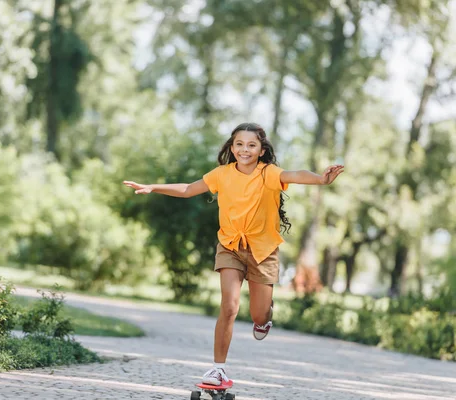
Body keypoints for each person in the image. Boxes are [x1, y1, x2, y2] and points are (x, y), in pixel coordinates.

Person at [123, 122, 344, 386]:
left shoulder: (268, 173)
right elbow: (188, 189)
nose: (245, 149)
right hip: (230, 246)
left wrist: (321, 179)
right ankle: (218, 369)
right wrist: (153, 187)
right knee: (229, 307)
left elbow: (295, 174)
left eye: (252, 145)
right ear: (231, 146)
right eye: (239, 144)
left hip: (263, 251)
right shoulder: (222, 174)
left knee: (258, 315)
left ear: (262, 150)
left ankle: (265, 318)